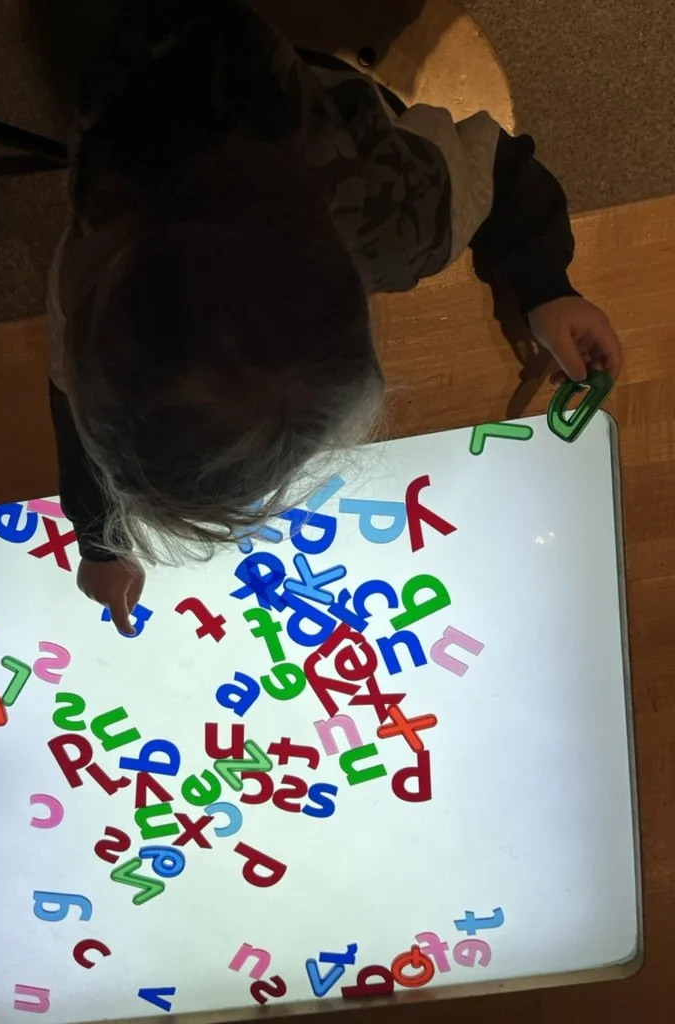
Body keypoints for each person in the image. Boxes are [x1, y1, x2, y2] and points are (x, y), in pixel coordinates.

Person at [47, 0, 623, 635]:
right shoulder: (96, 268)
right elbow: (78, 392)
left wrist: (548, 290)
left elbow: (504, 173)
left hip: (218, 78)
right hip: (136, 76)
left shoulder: (400, 211)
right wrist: (97, 541)